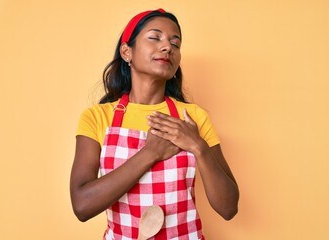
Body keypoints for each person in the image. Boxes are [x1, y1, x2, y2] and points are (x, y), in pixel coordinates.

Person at [70, 8, 239, 239]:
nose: (168, 47)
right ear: (126, 52)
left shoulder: (193, 117)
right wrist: (150, 153)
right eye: (154, 37)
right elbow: (82, 205)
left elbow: (228, 208)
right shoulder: (98, 117)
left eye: (175, 43)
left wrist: (198, 146)